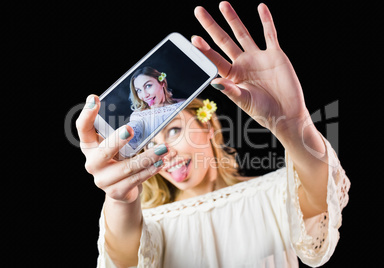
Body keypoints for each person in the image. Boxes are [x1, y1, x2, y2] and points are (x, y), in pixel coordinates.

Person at [75, 2, 350, 267]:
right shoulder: (151, 227)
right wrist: (119, 198)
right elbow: (124, 258)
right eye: (150, 145)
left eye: (174, 130)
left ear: (207, 127)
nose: (165, 152)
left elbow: (321, 198)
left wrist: (294, 124)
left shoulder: (273, 195)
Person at [127, 66, 185, 149]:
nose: (145, 95)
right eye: (139, 90)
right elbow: (134, 129)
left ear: (162, 82)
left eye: (148, 86)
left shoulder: (184, 104)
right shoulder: (138, 116)